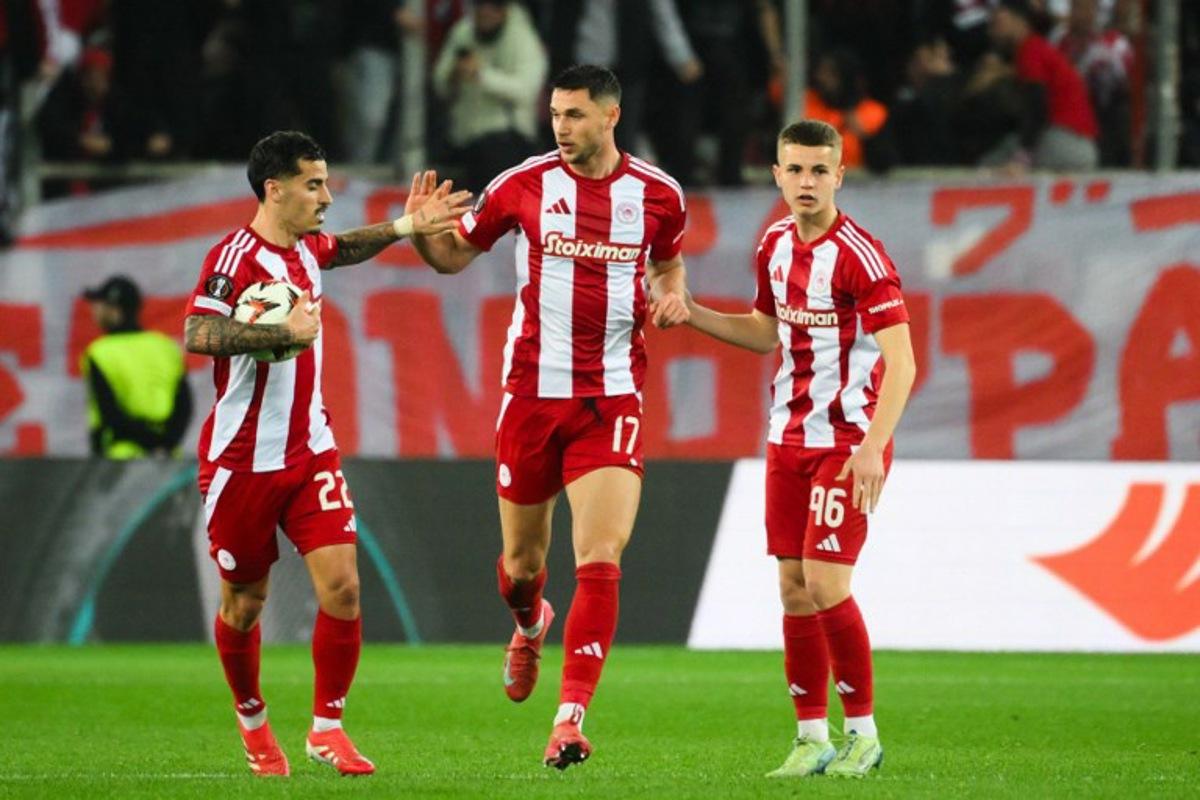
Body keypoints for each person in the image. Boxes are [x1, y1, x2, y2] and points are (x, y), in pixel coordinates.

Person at [407, 64, 690, 769]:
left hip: (612, 398)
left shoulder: (658, 195)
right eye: (556, 115)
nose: (561, 128)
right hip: (532, 396)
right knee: (522, 569)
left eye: (575, 116)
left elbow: (667, 265)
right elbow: (450, 260)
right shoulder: (522, 185)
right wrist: (419, 231)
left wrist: (671, 296)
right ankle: (530, 622)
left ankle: (569, 720)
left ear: (610, 117)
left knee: (599, 557)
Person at [182, 130, 470, 777]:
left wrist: (403, 224)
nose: (326, 196)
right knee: (245, 603)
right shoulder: (233, 258)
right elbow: (198, 331)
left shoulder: (306, 249)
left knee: (343, 586)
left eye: (326, 182)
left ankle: (326, 728)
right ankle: (254, 721)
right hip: (241, 464)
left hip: (311, 450)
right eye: (314, 184)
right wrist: (278, 332)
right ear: (274, 189)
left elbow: (338, 250)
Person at [682, 120, 916, 778]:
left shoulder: (861, 257)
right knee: (791, 589)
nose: (806, 182)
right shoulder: (774, 246)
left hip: (845, 443)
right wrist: (691, 311)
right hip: (786, 437)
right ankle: (812, 737)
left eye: (820, 170)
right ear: (777, 175)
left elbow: (903, 364)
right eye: (795, 170)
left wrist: (873, 447)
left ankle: (863, 736)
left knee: (825, 582)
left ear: (839, 176)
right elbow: (763, 333)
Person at [431, 0, 548, 192]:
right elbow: (439, 83)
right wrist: (454, 75)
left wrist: (481, 75)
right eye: (480, 5)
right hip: (463, 136)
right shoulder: (463, 32)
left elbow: (526, 91)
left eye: (493, 6)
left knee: (492, 157)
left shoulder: (523, 39)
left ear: (504, 10)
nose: (486, 11)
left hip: (507, 137)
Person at [81, 275, 192, 458]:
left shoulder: (100, 352)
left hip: (119, 458)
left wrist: (148, 444)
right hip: (168, 459)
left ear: (115, 309)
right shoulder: (166, 347)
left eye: (99, 305)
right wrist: (165, 444)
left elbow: (110, 415)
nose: (94, 312)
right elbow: (184, 407)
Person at [987, 0, 1099, 170]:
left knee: (991, 165)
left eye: (998, 22)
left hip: (1062, 140)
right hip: (1084, 147)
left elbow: (1037, 105)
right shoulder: (1041, 48)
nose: (993, 31)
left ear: (1019, 20)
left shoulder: (1030, 49)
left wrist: (1023, 155)